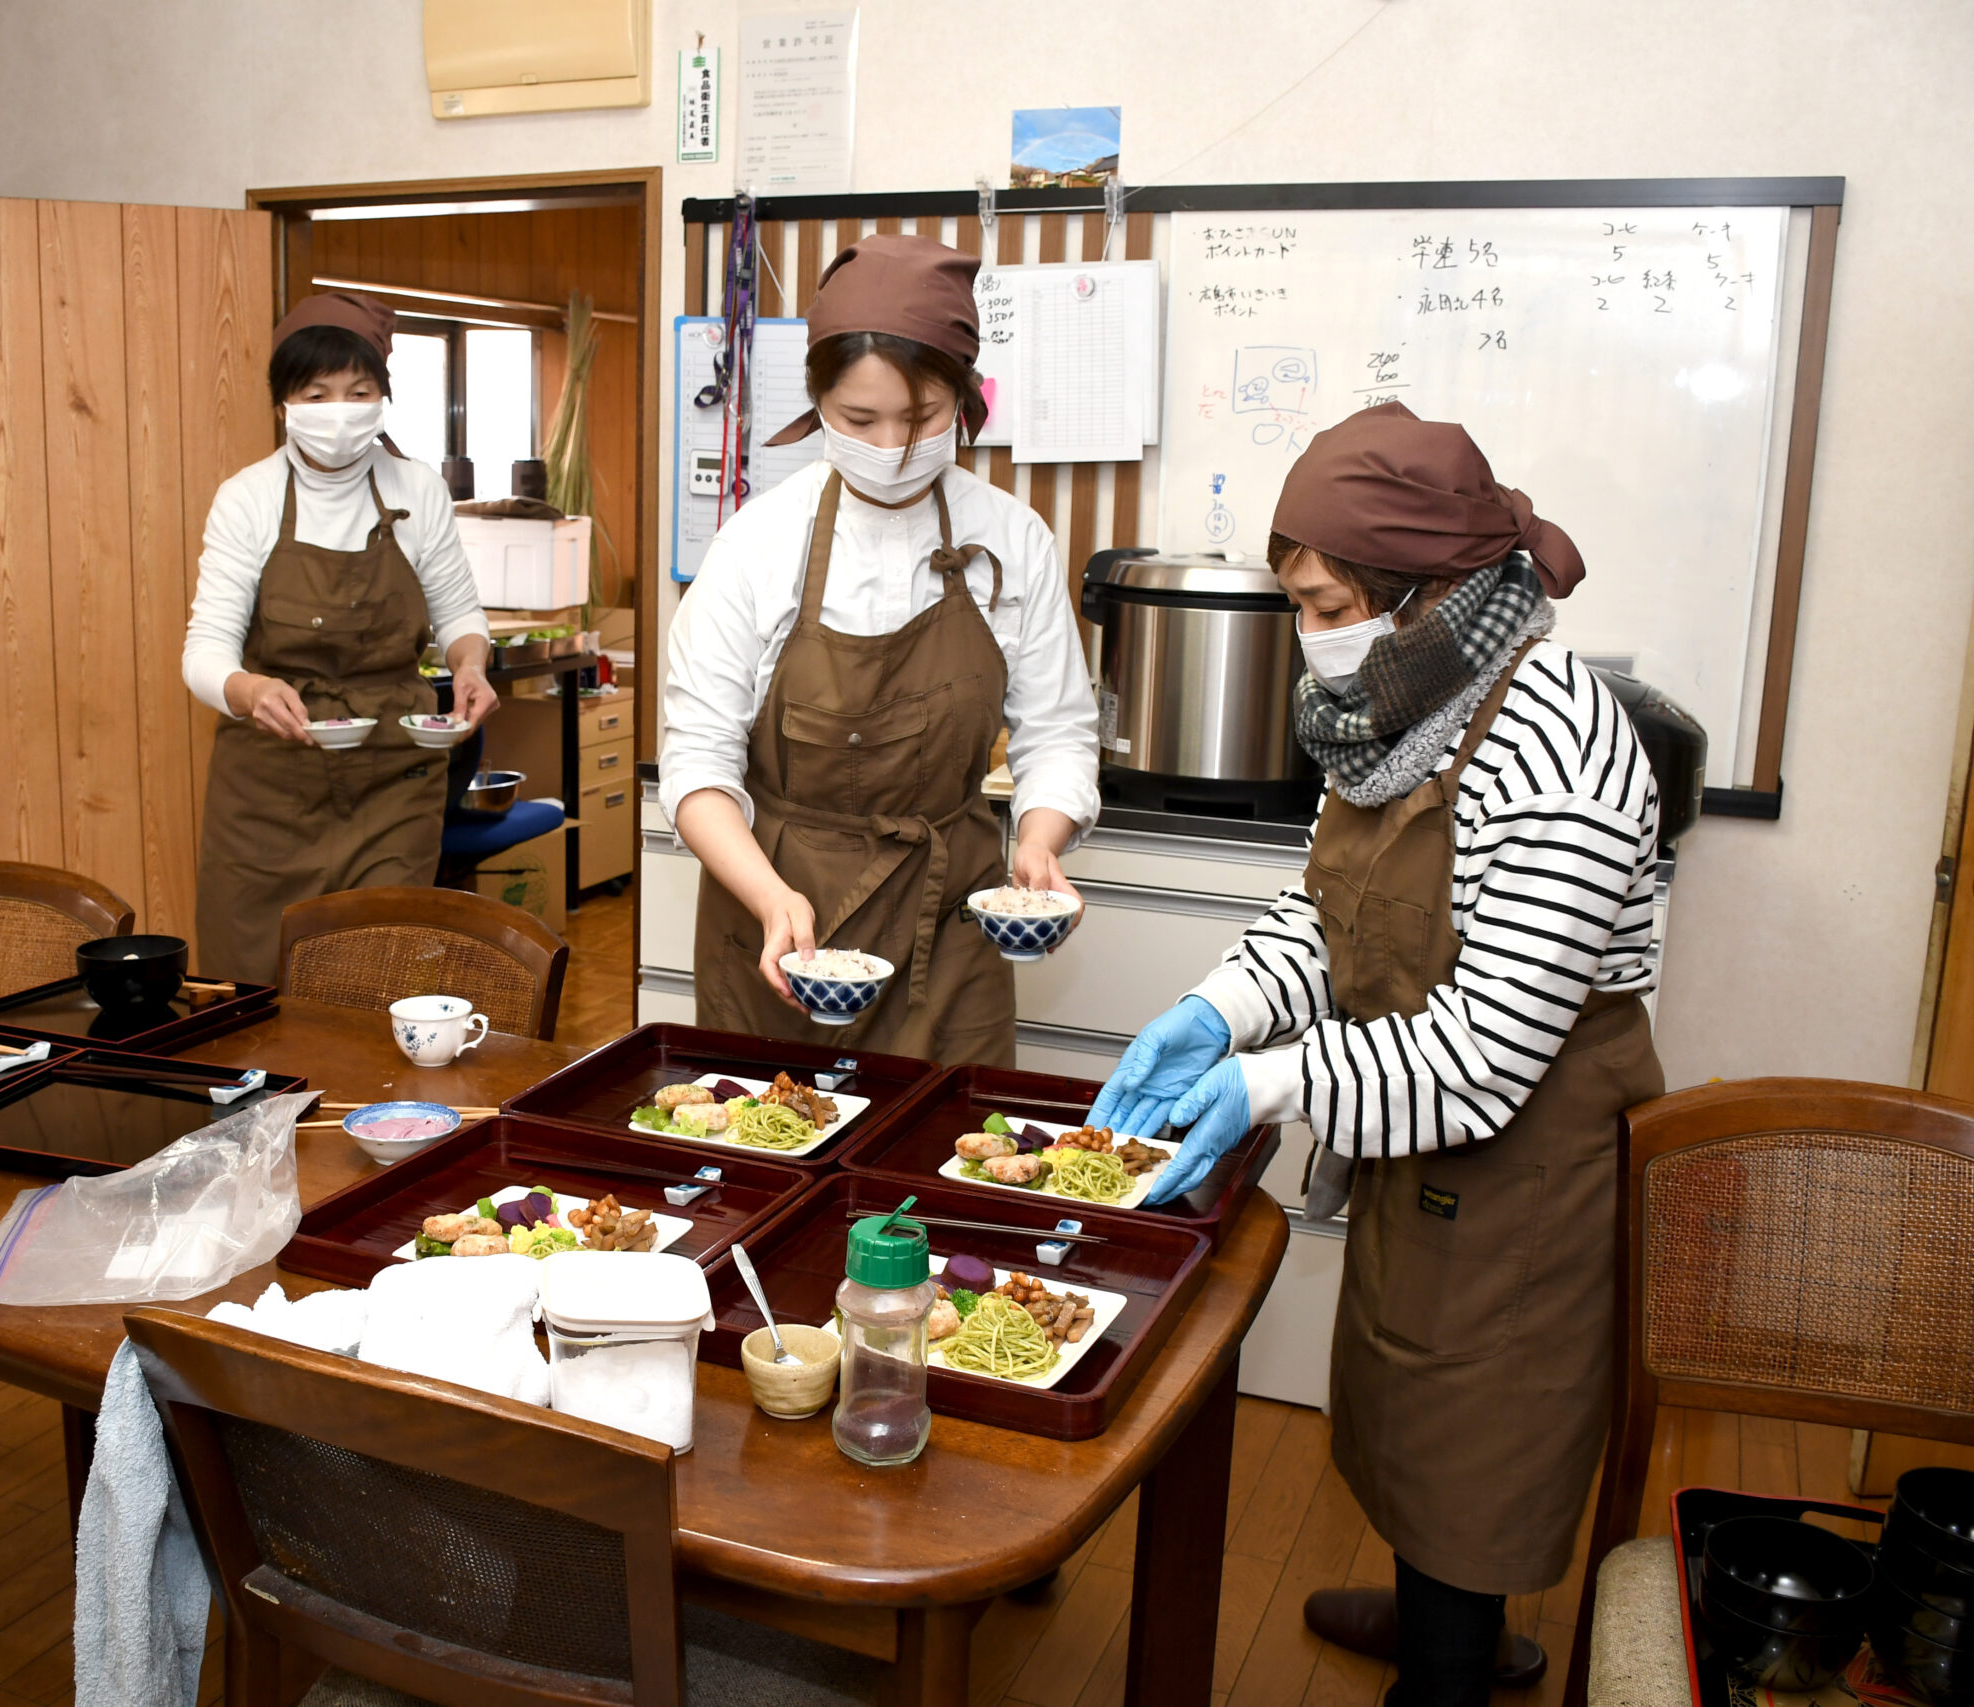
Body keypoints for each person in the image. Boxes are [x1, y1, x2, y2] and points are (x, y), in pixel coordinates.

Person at [1089, 402, 1665, 1705]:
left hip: (1533, 1145)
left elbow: (1486, 1051)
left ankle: (1454, 1667)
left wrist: (1270, 1081)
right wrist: (1224, 1008)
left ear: (1424, 597)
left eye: (1326, 602)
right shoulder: (1401, 704)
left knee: (1482, 1411)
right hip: (1420, 1111)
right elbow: (1327, 912)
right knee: (1409, 1374)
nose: (1311, 633)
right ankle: (1438, 1619)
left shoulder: (1561, 745)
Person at [660, 235, 1100, 1066]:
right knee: (766, 1157)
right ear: (819, 401)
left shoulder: (1012, 539)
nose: (893, 445)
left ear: (964, 402)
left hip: (951, 922)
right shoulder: (759, 543)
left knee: (950, 1166)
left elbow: (1059, 734)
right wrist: (768, 895)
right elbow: (697, 765)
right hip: (779, 923)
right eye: (861, 419)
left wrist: (1040, 839)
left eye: (923, 417)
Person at [184, 292, 499, 984]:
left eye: (358, 391)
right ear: (283, 405)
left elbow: (459, 616)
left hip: (395, 776)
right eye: (317, 393)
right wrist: (250, 689)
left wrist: (470, 666)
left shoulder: (417, 490)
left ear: (382, 399)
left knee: (379, 979)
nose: (339, 410)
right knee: (250, 988)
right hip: (268, 792)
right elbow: (205, 651)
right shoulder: (249, 497)